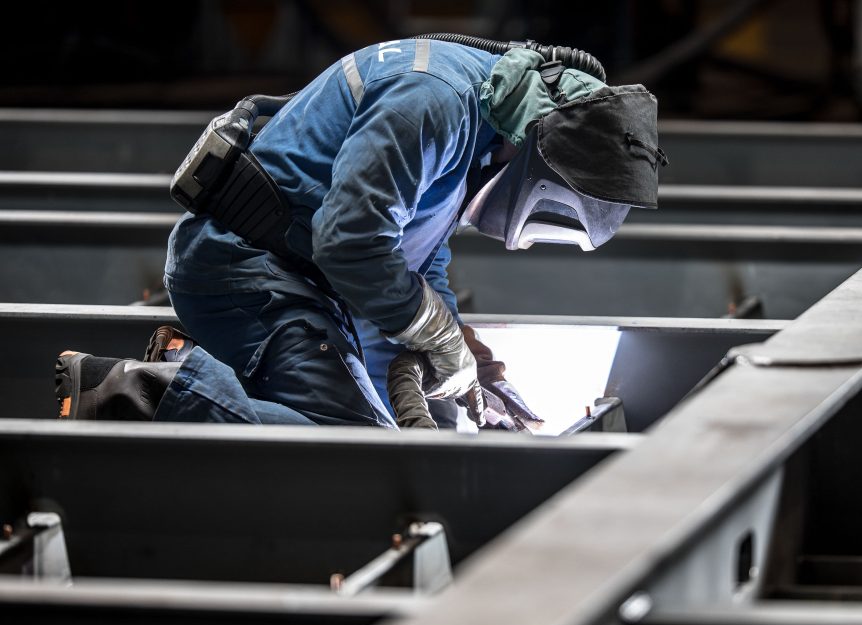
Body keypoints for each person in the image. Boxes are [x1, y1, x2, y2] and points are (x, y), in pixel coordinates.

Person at [55, 36, 666, 430]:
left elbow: (416, 260)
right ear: (538, 148)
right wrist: (436, 334)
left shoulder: (479, 126)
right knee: (353, 450)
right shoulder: (435, 101)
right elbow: (352, 245)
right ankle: (146, 394)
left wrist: (456, 357)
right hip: (249, 274)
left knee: (417, 424)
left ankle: (202, 379)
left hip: (308, 283)